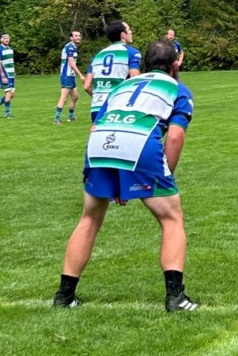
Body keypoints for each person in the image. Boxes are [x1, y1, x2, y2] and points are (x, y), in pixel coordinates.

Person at [53, 39, 198, 312]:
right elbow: (175, 136)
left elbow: (101, 123)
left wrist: (120, 182)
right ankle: (176, 298)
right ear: (175, 65)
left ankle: (64, 296)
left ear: (144, 64)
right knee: (171, 218)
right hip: (139, 143)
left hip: (98, 145)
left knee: (89, 218)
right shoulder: (178, 89)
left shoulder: (123, 86)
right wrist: (164, 177)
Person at [84, 21, 142, 122]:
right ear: (123, 34)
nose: (131, 32)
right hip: (118, 107)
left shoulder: (97, 56)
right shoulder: (132, 53)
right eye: (129, 29)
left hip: (97, 108)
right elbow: (135, 80)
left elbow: (87, 86)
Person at [54, 31, 84, 125]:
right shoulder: (70, 47)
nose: (78, 37)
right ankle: (56, 119)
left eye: (79, 35)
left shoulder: (73, 47)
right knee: (64, 97)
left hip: (70, 75)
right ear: (71, 38)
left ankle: (71, 117)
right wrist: (81, 75)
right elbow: (71, 63)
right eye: (76, 36)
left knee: (75, 97)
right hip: (66, 75)